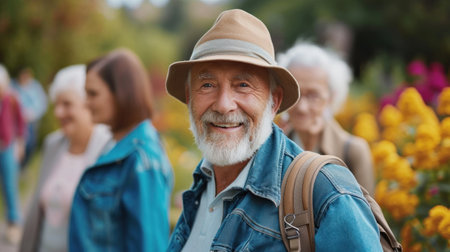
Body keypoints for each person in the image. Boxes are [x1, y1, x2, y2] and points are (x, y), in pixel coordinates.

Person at [166, 9, 382, 251]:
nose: (224, 105)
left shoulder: (328, 193)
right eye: (207, 84)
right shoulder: (200, 186)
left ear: (274, 101)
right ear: (189, 97)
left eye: (243, 85)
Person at [69, 49, 173, 252]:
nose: (85, 102)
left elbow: (149, 246)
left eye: (93, 94)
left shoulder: (142, 161)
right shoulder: (115, 146)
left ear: (122, 93)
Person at [19, 65, 111, 252]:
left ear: (88, 105)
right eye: (56, 105)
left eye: (67, 104)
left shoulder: (107, 149)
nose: (58, 113)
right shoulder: (52, 144)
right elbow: (36, 213)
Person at [277, 42, 375, 195]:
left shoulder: (353, 152)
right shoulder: (275, 148)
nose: (302, 107)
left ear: (331, 97)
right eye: (295, 93)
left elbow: (367, 216)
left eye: (313, 95)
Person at [0, 64, 26, 245]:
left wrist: (20, 143)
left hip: (8, 147)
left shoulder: (12, 99)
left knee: (10, 185)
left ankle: (14, 223)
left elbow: (21, 123)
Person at [11, 67, 48, 169]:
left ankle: (23, 166)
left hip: (30, 123)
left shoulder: (35, 87)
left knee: (30, 145)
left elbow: (42, 104)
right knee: (15, 147)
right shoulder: (13, 86)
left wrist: (32, 114)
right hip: (15, 123)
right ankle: (15, 167)